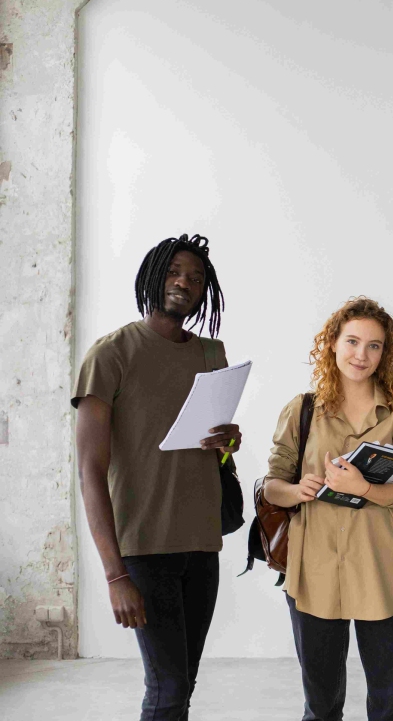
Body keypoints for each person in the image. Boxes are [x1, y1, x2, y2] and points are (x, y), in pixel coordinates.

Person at [73, 234, 241, 720]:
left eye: (195, 277)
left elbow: (217, 453)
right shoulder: (111, 355)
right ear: (152, 275)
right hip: (143, 549)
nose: (183, 282)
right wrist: (114, 575)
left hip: (201, 543)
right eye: (173, 271)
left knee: (180, 685)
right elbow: (89, 470)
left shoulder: (212, 354)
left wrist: (228, 441)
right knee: (166, 689)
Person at [262, 297, 393, 721]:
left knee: (389, 702)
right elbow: (271, 486)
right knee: (319, 706)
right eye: (352, 341)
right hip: (313, 571)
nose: (362, 355)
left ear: (385, 353)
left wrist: (363, 488)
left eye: (374, 346)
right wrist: (298, 489)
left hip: (382, 568)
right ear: (332, 343)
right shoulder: (301, 409)